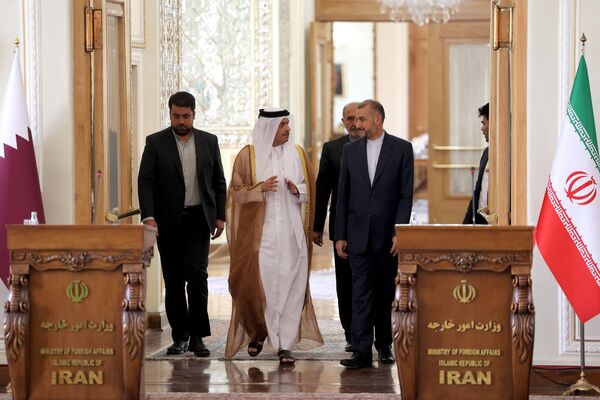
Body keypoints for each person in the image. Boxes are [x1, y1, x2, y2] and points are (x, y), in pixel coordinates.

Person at [225, 107, 323, 365]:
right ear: (269, 128)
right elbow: (236, 193)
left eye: (288, 124)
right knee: (264, 285)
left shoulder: (299, 154)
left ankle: (285, 346)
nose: (287, 129)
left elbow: (311, 190)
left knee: (291, 285)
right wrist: (260, 189)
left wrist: (297, 189)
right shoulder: (249, 156)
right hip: (261, 235)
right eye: (282, 125)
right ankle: (259, 331)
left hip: (291, 234)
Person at [138, 91, 227, 357]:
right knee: (174, 279)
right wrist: (149, 216)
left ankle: (198, 336)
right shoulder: (155, 142)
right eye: (176, 116)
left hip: (199, 219)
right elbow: (146, 182)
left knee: (197, 276)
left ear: (194, 115)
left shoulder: (209, 142)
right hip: (168, 222)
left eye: (185, 116)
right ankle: (180, 337)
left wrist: (220, 215)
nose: (181, 121)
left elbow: (219, 181)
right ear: (170, 114)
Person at [335, 99, 414, 368]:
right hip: (356, 235)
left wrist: (399, 232)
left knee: (384, 292)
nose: (357, 124)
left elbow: (406, 195)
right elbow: (342, 197)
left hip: (386, 237)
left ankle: (384, 345)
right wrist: (340, 235)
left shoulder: (402, 149)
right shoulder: (350, 150)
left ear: (377, 120)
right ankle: (360, 349)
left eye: (362, 119)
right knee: (360, 291)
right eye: (355, 120)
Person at [312, 102, 363, 352]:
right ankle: (350, 333)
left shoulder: (376, 146)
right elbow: (322, 190)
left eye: (359, 118)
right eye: (350, 118)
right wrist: (316, 226)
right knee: (344, 282)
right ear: (343, 121)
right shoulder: (332, 149)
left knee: (369, 281)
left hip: (370, 227)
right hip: (342, 225)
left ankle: (370, 331)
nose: (355, 123)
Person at [463, 102, 489, 225]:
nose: (482, 128)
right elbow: (478, 189)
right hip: (480, 220)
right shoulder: (487, 153)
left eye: (484, 123)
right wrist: (466, 224)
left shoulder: (512, 156)